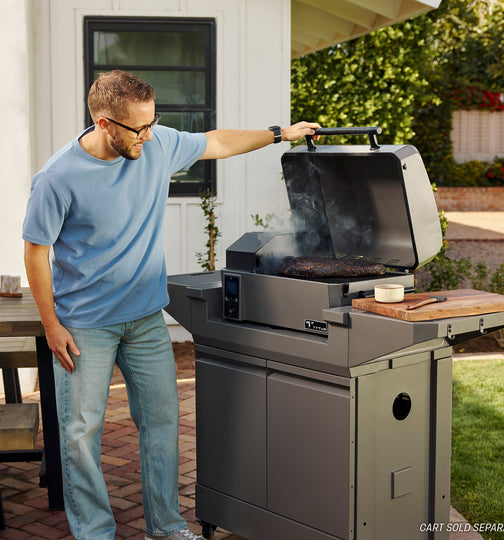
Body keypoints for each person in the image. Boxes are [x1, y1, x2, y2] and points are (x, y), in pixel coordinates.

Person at [22, 69, 320, 540]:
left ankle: (165, 527)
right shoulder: (58, 177)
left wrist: (280, 133)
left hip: (144, 318)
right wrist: (51, 324)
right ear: (103, 124)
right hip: (85, 327)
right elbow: (36, 250)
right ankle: (95, 533)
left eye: (152, 122)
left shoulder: (155, 142)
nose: (148, 134)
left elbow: (215, 142)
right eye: (136, 128)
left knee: (162, 423)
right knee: (81, 436)